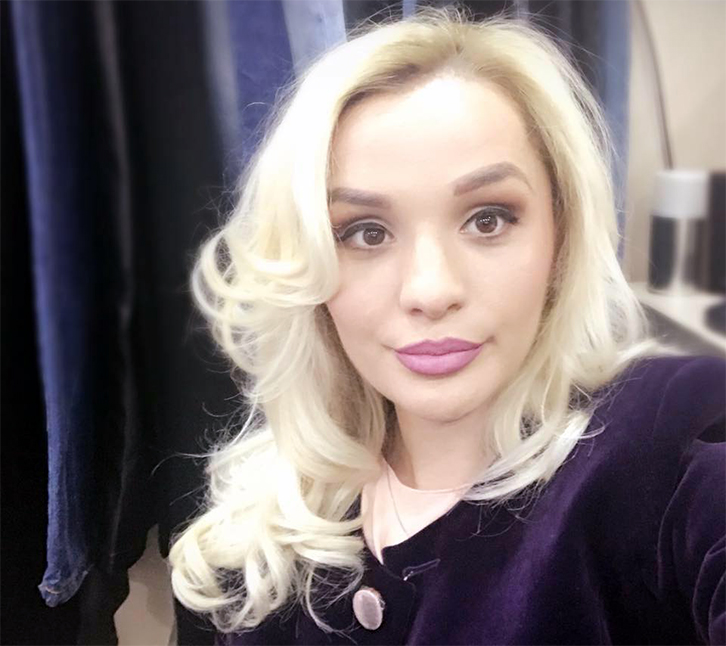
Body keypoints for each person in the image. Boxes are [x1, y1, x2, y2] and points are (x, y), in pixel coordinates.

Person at [168, 7, 726, 645]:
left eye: (488, 219)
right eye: (366, 232)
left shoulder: (672, 446)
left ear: (561, 236)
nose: (430, 291)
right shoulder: (267, 532)